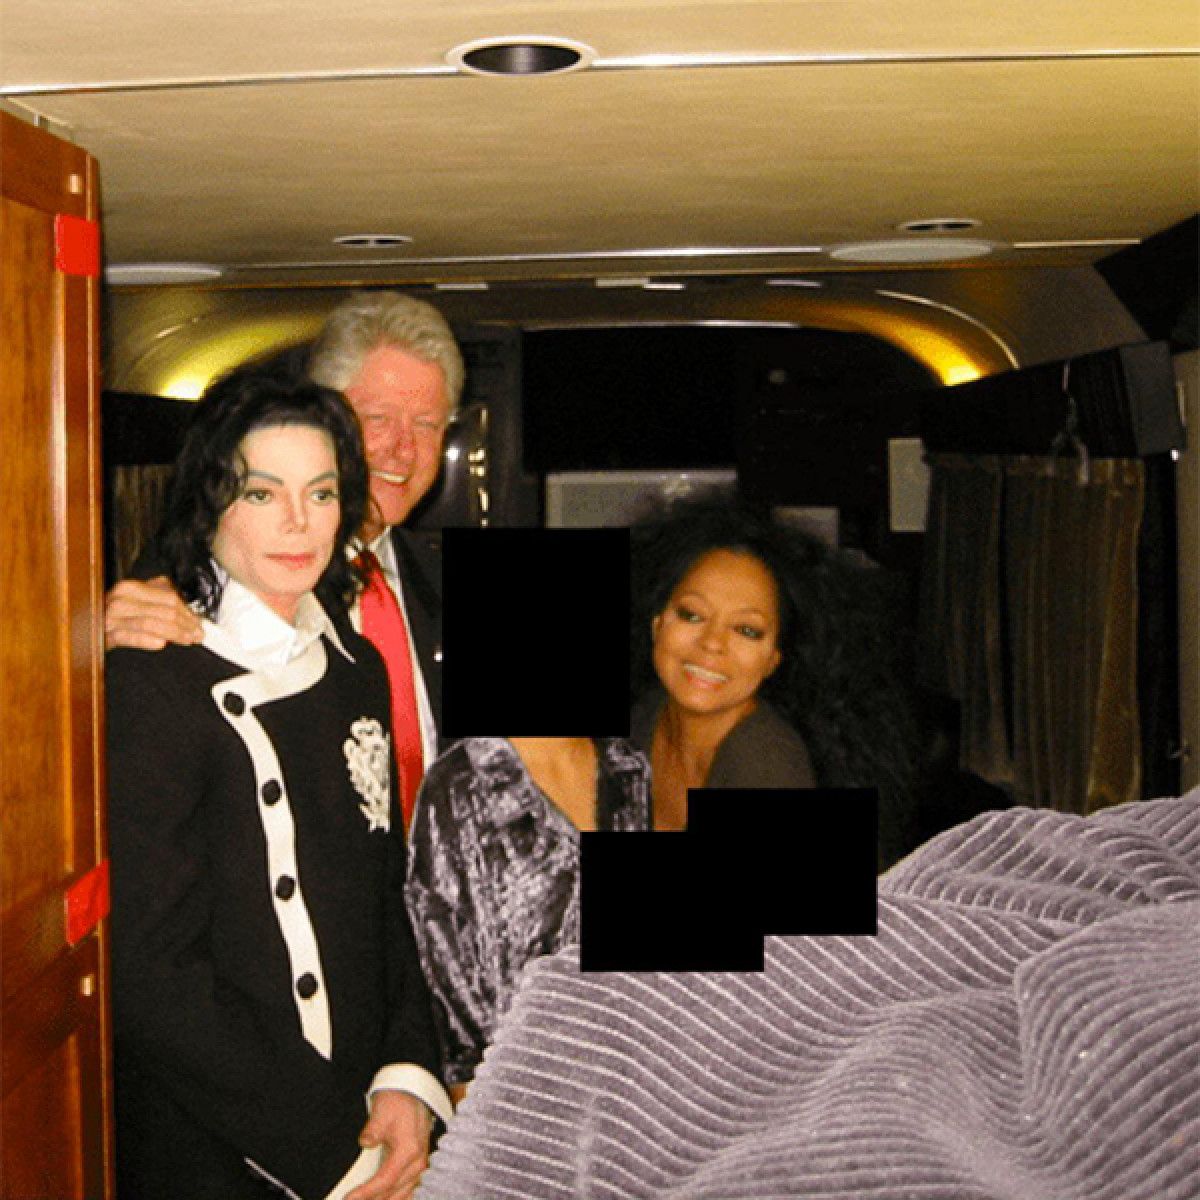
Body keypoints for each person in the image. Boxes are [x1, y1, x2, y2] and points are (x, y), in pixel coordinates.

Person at [106, 370, 451, 1200]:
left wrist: (407, 1075)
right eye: (262, 493)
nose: (299, 521)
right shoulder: (151, 678)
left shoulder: (356, 666)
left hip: (364, 1101)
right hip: (224, 1143)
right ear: (209, 504)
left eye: (321, 492)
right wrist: (329, 1150)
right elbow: (153, 974)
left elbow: (386, 896)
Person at [104, 291, 464, 819]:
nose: (403, 449)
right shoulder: (202, 580)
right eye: (379, 419)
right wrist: (90, 640)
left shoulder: (443, 579)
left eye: (426, 424)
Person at [629, 491, 917, 857]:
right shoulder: (645, 717)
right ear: (657, 624)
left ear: (773, 660)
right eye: (692, 614)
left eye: (746, 630)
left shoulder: (766, 762)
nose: (712, 643)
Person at [404, 737, 651, 1101]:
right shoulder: (462, 786)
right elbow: (458, 1020)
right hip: (525, 1102)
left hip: (633, 1090)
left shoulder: (629, 769)